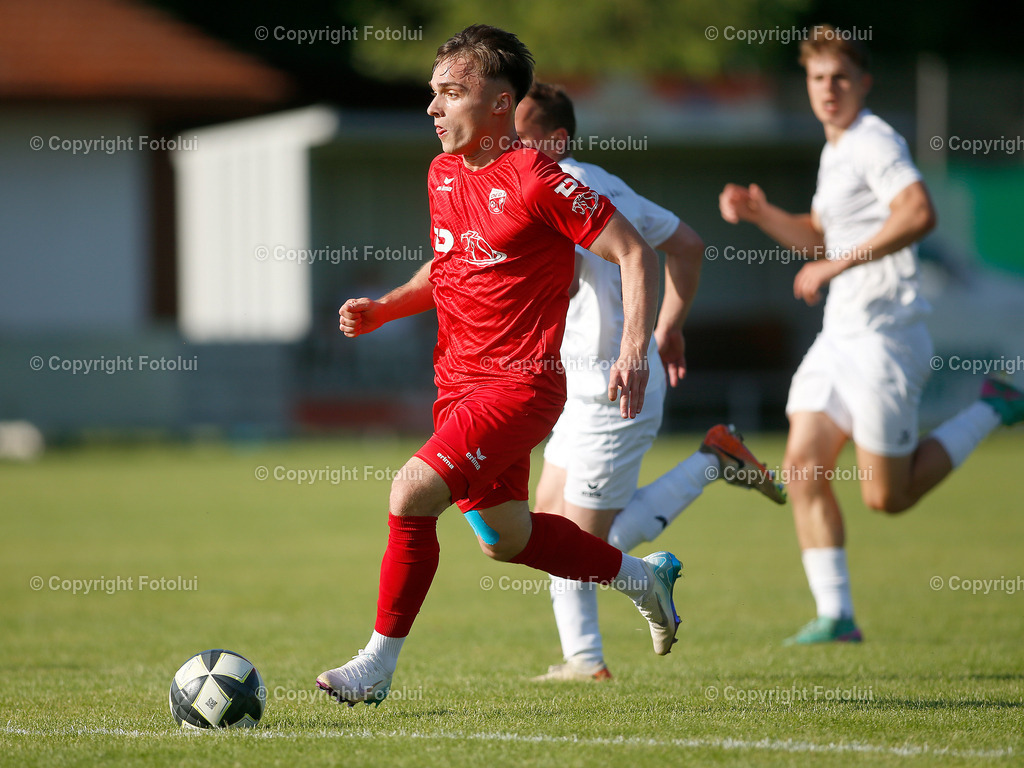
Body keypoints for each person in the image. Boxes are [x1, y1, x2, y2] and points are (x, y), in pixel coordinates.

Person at [317, 24, 682, 707]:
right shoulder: (441, 173)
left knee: (408, 495)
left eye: (451, 93)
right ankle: (641, 578)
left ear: (497, 104)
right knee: (508, 539)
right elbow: (452, 265)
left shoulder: (538, 178)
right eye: (432, 94)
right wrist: (385, 309)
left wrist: (636, 349)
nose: (433, 108)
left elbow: (637, 252)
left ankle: (376, 667)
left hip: (522, 385)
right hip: (456, 387)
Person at [718, 24, 1024, 645]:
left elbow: (919, 211)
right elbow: (818, 237)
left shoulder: (872, 137)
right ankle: (837, 616)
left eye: (839, 77)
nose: (827, 89)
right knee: (803, 468)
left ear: (863, 83)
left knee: (889, 495)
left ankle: (996, 404)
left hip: (887, 335)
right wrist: (761, 214)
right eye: (816, 78)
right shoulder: (836, 151)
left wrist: (839, 263)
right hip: (841, 335)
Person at [514, 83, 786, 681]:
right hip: (580, 391)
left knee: (577, 547)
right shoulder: (589, 181)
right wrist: (671, 328)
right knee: (543, 525)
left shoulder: (572, 188)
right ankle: (584, 660)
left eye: (520, 132)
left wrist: (651, 338)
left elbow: (670, 251)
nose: (508, 143)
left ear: (557, 140)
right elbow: (687, 246)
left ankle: (711, 462)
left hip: (618, 389)